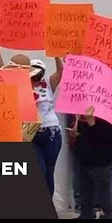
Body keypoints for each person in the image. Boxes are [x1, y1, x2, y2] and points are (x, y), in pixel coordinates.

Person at [73, 106, 112, 219]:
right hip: (83, 156)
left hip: (102, 160)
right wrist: (76, 127)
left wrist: (92, 123)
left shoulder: (111, 106)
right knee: (85, 202)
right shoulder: (85, 102)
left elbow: (109, 136)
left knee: (106, 201)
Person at [29, 58, 63, 199]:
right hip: (32, 133)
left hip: (51, 133)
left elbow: (61, 72)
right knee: (40, 169)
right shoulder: (22, 85)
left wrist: (56, 54)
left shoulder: (48, 84)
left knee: (49, 171)